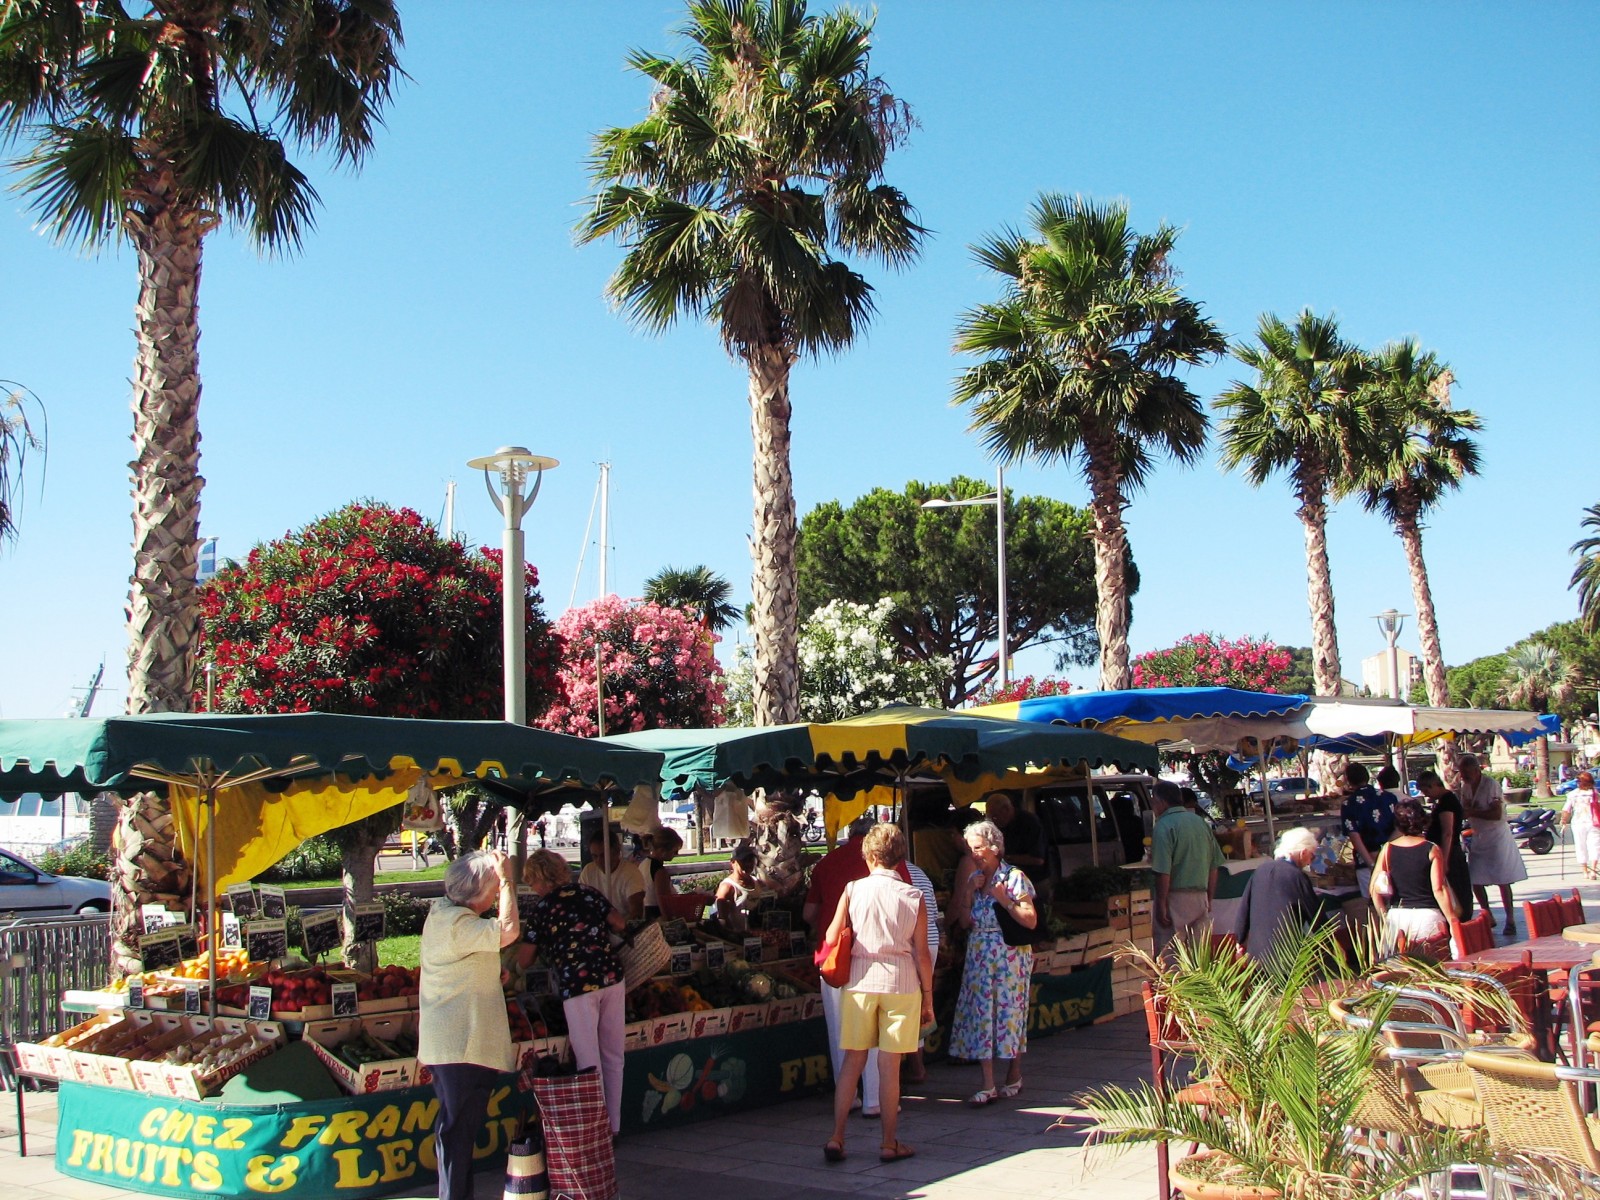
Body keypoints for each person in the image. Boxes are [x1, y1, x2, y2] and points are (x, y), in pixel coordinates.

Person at [821, 825, 934, 1166]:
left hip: (859, 981)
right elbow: (922, 953)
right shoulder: (913, 896)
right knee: (889, 1067)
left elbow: (830, 934)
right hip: (901, 983)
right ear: (900, 857)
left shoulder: (853, 889)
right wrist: (928, 996)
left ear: (868, 855)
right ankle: (888, 1142)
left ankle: (837, 1136)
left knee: (852, 1063)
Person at [418, 850, 520, 1200]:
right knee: (457, 1134)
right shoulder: (458, 924)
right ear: (477, 892)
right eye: (492, 891)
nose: (495, 897)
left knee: (456, 1131)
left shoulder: (445, 914)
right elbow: (507, 930)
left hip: (453, 1044)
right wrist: (507, 880)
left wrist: (492, 971)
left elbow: (461, 958)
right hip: (460, 1045)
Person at [519, 849, 628, 1134]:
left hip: (578, 985)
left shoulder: (542, 909)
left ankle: (596, 1130)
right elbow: (619, 923)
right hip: (611, 977)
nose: (532, 888)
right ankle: (614, 1127)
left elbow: (524, 959)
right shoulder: (588, 893)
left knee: (588, 1059)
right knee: (614, 1056)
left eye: (532, 882)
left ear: (541, 879)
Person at [948, 819, 1036, 1106]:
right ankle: (987, 1083)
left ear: (994, 848)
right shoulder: (975, 878)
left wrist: (1005, 900)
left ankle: (1014, 1073)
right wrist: (969, 892)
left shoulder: (1014, 877)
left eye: (978, 848)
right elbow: (964, 921)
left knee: (1010, 1015)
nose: (973, 854)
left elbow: (1031, 920)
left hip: (1009, 957)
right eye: (970, 849)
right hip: (979, 956)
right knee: (982, 1015)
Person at [804, 814, 880, 1111]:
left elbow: (809, 914)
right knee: (872, 1027)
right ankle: (874, 1098)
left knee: (839, 1029)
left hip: (833, 956)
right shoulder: (886, 861)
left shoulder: (827, 863)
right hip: (870, 956)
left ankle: (847, 1097)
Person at [1370, 797, 1458, 959]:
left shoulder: (1387, 850)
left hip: (1397, 916)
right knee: (1434, 969)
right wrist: (1452, 920)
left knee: (1399, 974)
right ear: (1423, 820)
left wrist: (1384, 916)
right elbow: (1439, 889)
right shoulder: (1432, 849)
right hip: (1427, 917)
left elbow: (1374, 889)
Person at [1150, 779, 1225, 953]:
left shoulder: (1163, 826)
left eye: (1153, 801)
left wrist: (1161, 902)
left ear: (1160, 802)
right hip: (1200, 897)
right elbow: (1214, 866)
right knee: (1200, 958)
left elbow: (1163, 871)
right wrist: (1209, 898)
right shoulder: (1200, 823)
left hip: (1175, 898)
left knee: (1170, 958)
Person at [1230, 827, 1323, 962]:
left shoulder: (1260, 870)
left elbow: (1244, 909)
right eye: (1312, 855)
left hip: (1257, 952)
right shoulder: (1297, 876)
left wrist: (1240, 940)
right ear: (1303, 852)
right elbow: (1314, 913)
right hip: (1285, 952)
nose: (1310, 861)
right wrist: (1333, 944)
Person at [1459, 754, 1526, 935]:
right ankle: (1487, 913)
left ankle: (1510, 918)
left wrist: (1471, 811)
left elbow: (1495, 814)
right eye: (1461, 772)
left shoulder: (1491, 785)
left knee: (1502, 879)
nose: (1463, 775)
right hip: (1478, 835)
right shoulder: (1465, 787)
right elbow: (1464, 807)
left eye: (1466, 772)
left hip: (1496, 836)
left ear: (1476, 769)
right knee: (1475, 878)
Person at [1416, 768, 1472, 919]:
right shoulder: (1443, 801)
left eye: (1426, 790)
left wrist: (1445, 860)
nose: (1426, 795)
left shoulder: (1447, 802)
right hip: (1447, 850)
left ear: (1433, 786)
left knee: (1455, 890)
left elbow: (1447, 832)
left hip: (1449, 852)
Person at [1339, 763, 1395, 894]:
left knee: (1374, 905)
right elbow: (1399, 828)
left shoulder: (1348, 804)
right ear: (1368, 777)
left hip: (1365, 862)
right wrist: (1386, 849)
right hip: (1392, 859)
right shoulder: (1389, 797)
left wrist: (1371, 864)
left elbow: (1354, 836)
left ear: (1348, 780)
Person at [641, 827, 712, 920]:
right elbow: (664, 902)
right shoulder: (659, 871)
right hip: (657, 916)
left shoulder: (644, 864)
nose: (676, 854)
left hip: (647, 914)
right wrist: (671, 923)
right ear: (662, 851)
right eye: (674, 851)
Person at [578, 826, 647, 920]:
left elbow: (636, 911)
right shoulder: (588, 871)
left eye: (603, 855)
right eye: (595, 856)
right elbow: (582, 903)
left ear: (616, 852)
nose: (599, 860)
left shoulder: (631, 873)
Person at [982, 792, 1047, 888]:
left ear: (1006, 809)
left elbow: (1038, 859)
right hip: (1010, 881)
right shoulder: (999, 826)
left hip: (1033, 880)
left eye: (995, 816)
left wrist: (1004, 858)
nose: (994, 821)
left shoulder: (1029, 822)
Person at [713, 842, 767, 931]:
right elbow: (722, 920)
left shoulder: (759, 883)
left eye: (751, 860)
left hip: (760, 936)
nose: (748, 864)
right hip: (741, 940)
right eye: (744, 861)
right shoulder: (727, 887)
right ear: (733, 862)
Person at [1559, 770, 1600, 882]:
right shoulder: (1595, 793)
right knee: (1594, 846)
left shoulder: (1573, 794)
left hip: (1578, 823)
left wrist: (1563, 821)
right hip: (1593, 823)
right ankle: (1593, 870)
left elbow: (1566, 809)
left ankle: (1585, 871)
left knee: (1580, 846)